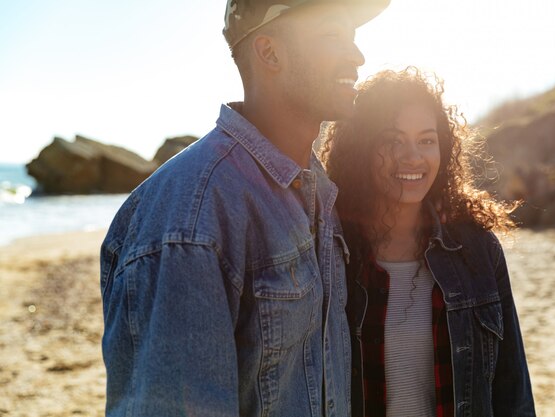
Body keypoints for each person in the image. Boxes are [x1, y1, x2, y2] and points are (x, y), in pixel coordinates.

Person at [99, 1, 389, 416]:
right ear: (269, 52)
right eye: (332, 36)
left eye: (353, 38)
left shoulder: (315, 188)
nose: (357, 56)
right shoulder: (190, 220)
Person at [321, 67, 536, 417]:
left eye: (426, 140)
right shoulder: (331, 251)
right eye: (392, 140)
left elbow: (513, 395)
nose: (413, 156)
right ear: (361, 147)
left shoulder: (478, 252)